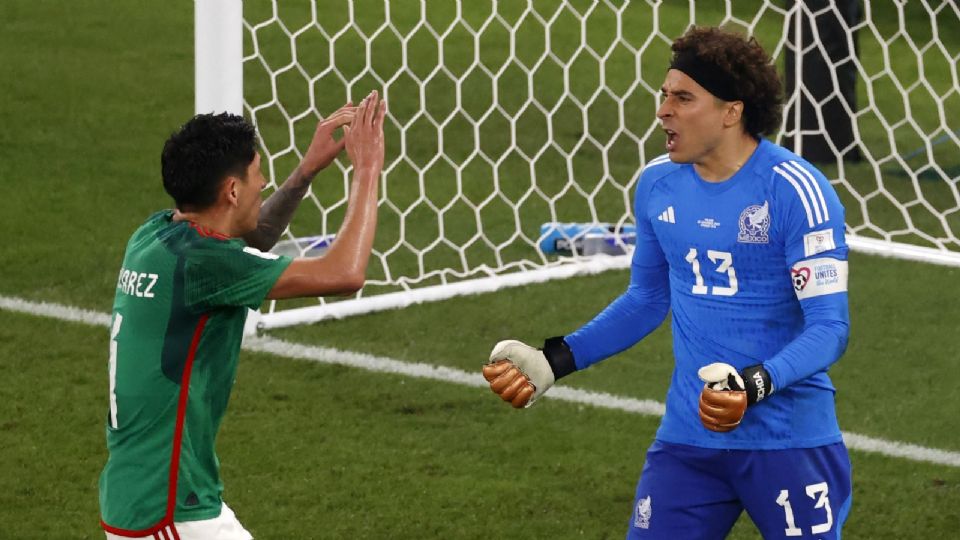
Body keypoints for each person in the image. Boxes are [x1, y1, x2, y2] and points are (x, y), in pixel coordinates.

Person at [483, 26, 852, 539]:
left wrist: (753, 384)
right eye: (664, 95)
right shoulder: (658, 183)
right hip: (690, 438)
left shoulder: (796, 191)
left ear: (731, 111)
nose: (663, 111)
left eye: (683, 97)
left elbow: (830, 327)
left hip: (788, 440)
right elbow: (647, 300)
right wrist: (556, 359)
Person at [99, 91, 386, 539]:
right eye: (256, 174)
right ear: (232, 190)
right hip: (169, 509)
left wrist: (307, 170)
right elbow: (346, 272)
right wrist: (366, 171)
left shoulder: (155, 235)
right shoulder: (203, 264)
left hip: (153, 497)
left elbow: (251, 240)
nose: (265, 181)